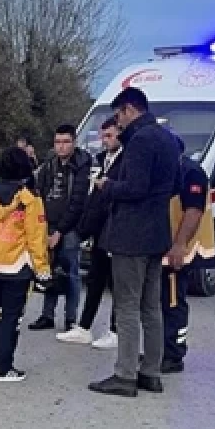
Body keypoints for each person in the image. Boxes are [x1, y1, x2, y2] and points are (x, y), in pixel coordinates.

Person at [88, 87, 180, 398]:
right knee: (151, 306)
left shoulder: (140, 141)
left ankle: (125, 374)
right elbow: (173, 186)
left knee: (127, 305)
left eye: (119, 115)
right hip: (157, 233)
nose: (119, 123)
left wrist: (107, 186)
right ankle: (150, 372)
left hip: (132, 235)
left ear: (129, 109)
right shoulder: (168, 139)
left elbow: (135, 187)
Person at [0, 147, 50, 382]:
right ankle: (3, 368)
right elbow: (37, 237)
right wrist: (42, 270)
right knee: (11, 318)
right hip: (16, 265)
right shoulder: (29, 200)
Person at [159, 133, 215, 374]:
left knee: (173, 302)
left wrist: (179, 245)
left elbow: (193, 211)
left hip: (180, 249)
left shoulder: (191, 172)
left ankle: (174, 354)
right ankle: (162, 347)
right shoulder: (172, 170)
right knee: (162, 301)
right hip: (165, 247)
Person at [61, 117, 121, 349]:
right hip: (98, 231)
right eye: (103, 136)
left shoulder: (125, 160)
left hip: (116, 230)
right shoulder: (100, 160)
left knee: (117, 283)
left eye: (110, 136)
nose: (105, 141)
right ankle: (84, 327)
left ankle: (115, 330)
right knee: (95, 280)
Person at [29, 124, 91, 333]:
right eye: (58, 142)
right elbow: (38, 190)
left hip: (70, 228)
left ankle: (71, 319)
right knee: (49, 271)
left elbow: (77, 203)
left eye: (66, 142)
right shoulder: (49, 165)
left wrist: (59, 232)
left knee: (71, 273)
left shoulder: (81, 166)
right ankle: (47, 314)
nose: (61, 147)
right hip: (47, 224)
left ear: (74, 143)